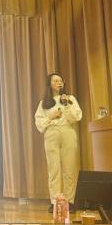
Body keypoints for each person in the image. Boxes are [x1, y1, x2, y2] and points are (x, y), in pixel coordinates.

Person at [34, 72, 82, 212]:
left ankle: (69, 201)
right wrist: (51, 116)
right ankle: (55, 202)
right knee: (53, 169)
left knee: (69, 169)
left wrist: (66, 105)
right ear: (49, 84)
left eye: (60, 80)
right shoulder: (44, 103)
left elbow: (76, 117)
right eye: (55, 81)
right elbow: (39, 123)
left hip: (68, 132)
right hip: (51, 133)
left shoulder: (70, 99)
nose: (59, 83)